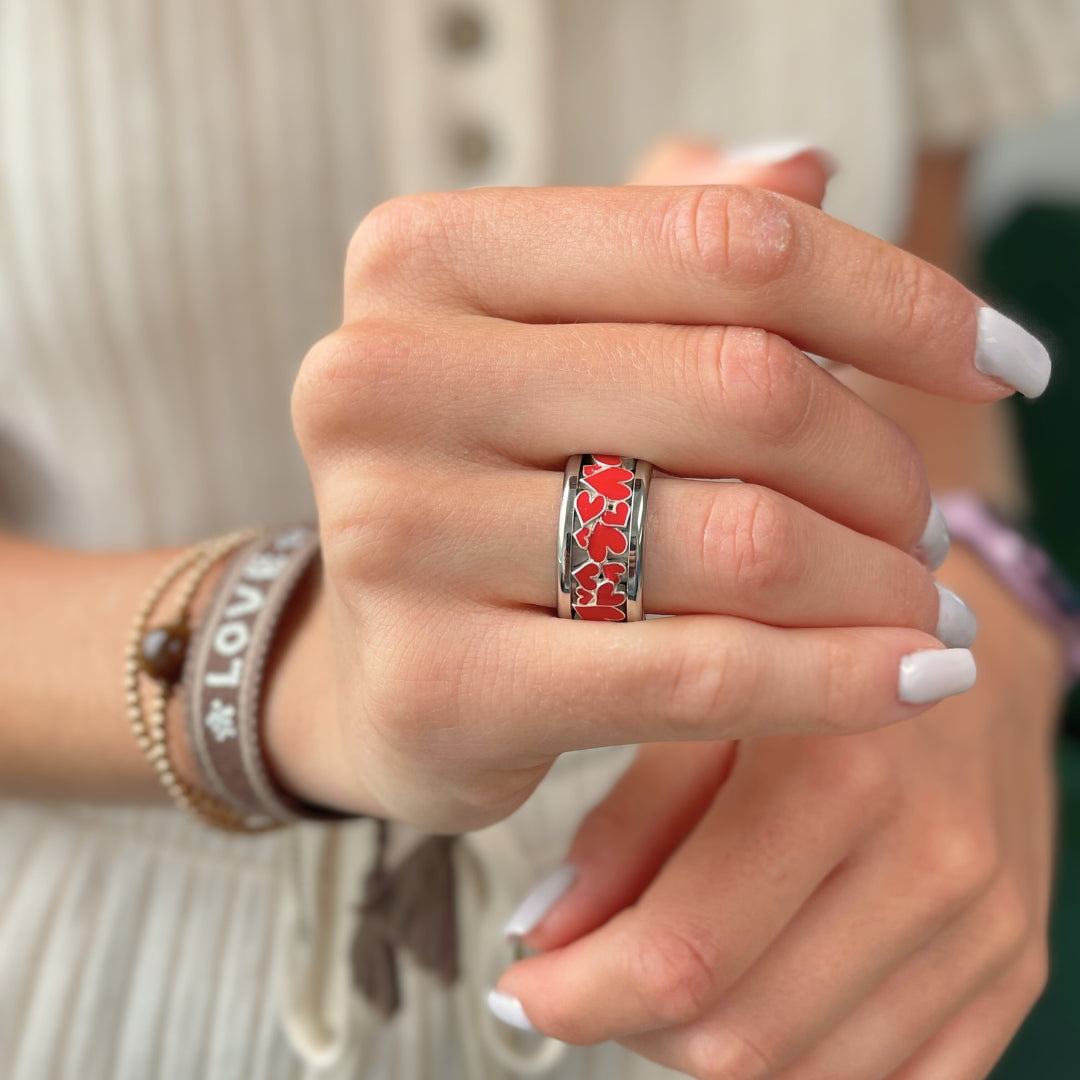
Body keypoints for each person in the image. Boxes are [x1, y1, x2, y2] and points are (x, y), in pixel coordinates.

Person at [0, 2, 1077, 1078]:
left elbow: (926, 311)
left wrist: (982, 613)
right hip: (109, 979)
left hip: (762, 930)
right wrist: (291, 665)